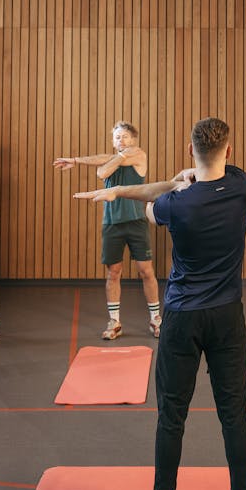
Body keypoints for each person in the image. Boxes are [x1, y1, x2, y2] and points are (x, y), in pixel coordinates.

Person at [78, 116, 246, 490]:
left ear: (189, 152)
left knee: (171, 415)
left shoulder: (174, 204)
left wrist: (127, 188)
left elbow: (152, 201)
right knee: (233, 414)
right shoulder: (241, 187)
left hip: (181, 318)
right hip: (226, 316)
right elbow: (204, 179)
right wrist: (186, 178)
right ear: (230, 153)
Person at [54, 121, 161, 339]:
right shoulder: (117, 157)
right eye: (117, 137)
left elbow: (102, 171)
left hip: (136, 222)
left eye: (125, 137)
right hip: (112, 223)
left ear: (133, 140)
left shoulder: (139, 155)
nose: (120, 140)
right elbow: (103, 161)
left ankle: (156, 318)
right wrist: (75, 160)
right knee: (113, 273)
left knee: (146, 271)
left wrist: (111, 161)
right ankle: (115, 322)